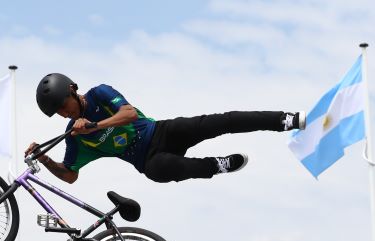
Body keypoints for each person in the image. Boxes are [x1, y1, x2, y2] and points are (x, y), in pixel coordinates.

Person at [26, 73, 305, 184]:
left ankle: (284, 119)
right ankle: (216, 166)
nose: (65, 112)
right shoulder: (75, 137)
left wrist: (95, 125)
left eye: (64, 104)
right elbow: (70, 175)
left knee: (221, 121)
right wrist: (43, 157)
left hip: (161, 132)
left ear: (73, 91)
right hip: (147, 159)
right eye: (59, 112)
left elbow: (128, 113)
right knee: (161, 170)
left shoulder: (100, 94)